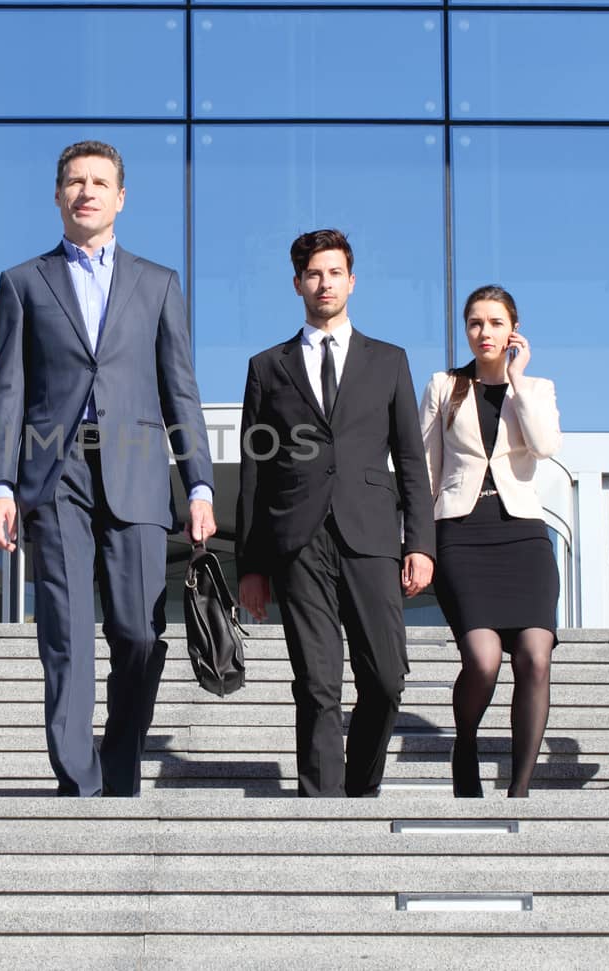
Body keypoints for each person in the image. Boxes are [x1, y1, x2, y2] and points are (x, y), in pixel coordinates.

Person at [0, 139, 215, 798]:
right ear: (59, 196)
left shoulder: (158, 282)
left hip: (139, 469)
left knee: (140, 631)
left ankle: (117, 765)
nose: (86, 191)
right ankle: (78, 780)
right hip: (55, 475)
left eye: (99, 181)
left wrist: (198, 481)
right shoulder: (22, 283)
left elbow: (182, 389)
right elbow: (6, 391)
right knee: (65, 630)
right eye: (75, 182)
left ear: (119, 197)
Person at [236, 229, 434, 798]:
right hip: (298, 540)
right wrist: (251, 563)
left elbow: (411, 460)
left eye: (334, 273)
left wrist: (418, 542)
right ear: (298, 283)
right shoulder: (266, 367)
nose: (325, 283)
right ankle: (321, 810)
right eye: (313, 274)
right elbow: (255, 469)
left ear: (352, 280)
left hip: (371, 534)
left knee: (387, 679)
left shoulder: (389, 361)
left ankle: (358, 787)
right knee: (318, 682)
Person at [418, 285, 562, 798]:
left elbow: (544, 445)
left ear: (513, 330)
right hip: (461, 531)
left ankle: (520, 789)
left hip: (523, 534)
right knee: (482, 660)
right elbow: (424, 467)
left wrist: (517, 381)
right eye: (475, 323)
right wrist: (416, 542)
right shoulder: (444, 385)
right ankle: (466, 742)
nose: (485, 332)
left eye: (496, 323)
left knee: (535, 657)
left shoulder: (537, 387)